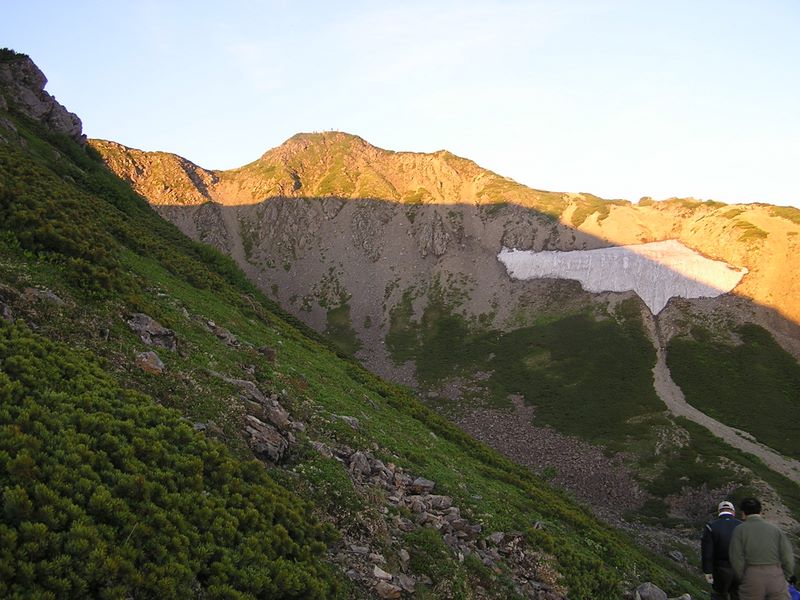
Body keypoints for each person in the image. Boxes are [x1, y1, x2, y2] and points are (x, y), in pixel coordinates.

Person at [729, 497, 795, 600]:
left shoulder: (739, 530)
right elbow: (787, 557)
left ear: (743, 512)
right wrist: (785, 577)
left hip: (752, 576)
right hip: (776, 575)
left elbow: (736, 558)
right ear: (760, 511)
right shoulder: (775, 529)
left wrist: (744, 577)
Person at [702, 499, 742, 599]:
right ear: (733, 511)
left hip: (721, 569)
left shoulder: (711, 527)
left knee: (720, 595)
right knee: (738, 595)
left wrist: (707, 571)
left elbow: (707, 553)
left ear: (719, 511)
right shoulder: (742, 526)